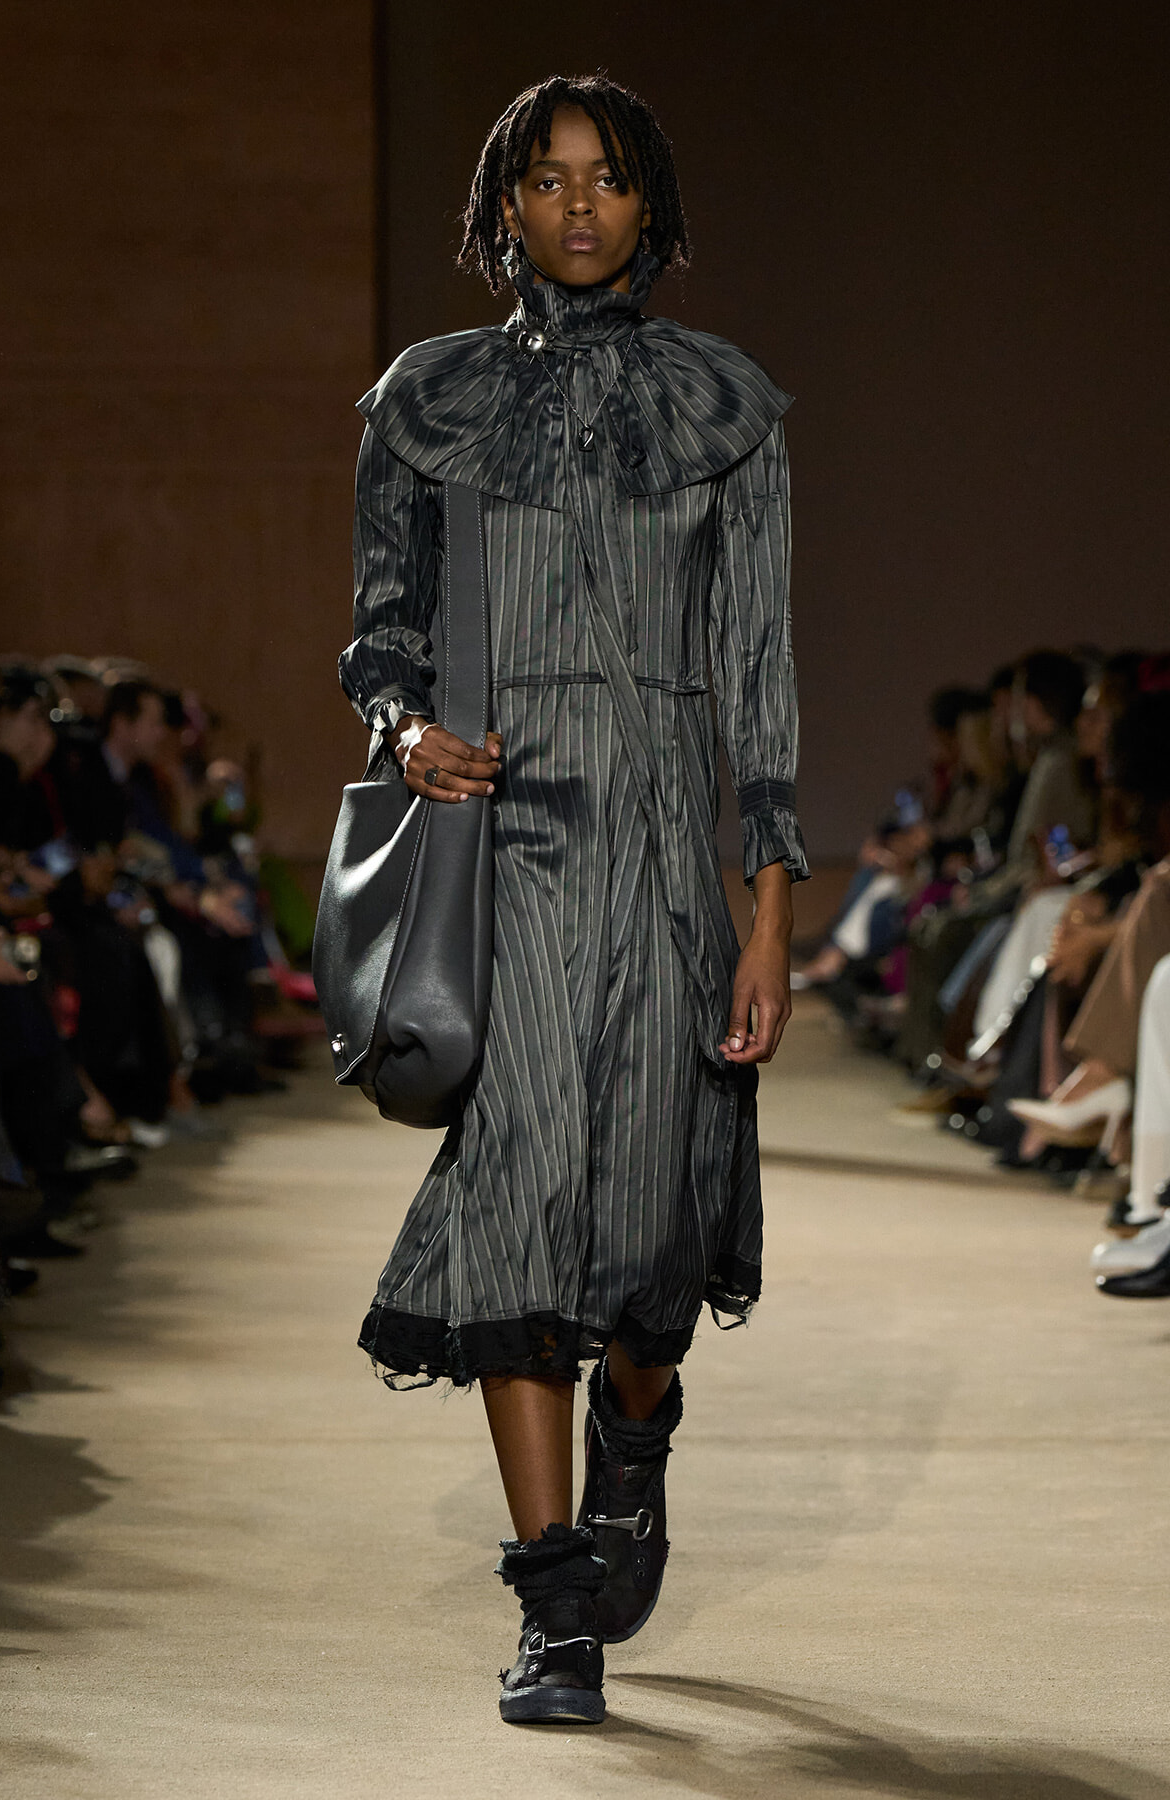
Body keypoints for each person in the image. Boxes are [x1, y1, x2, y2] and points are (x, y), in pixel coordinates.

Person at [338, 75, 807, 1725]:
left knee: (660, 1237)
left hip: (678, 859)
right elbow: (379, 634)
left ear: (649, 204)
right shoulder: (431, 401)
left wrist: (770, 916)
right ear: (504, 212)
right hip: (512, 851)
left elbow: (759, 682)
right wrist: (410, 732)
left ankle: (637, 1427)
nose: (581, 207)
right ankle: (556, 1609)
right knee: (524, 1206)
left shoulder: (725, 408)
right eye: (547, 182)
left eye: (608, 180)